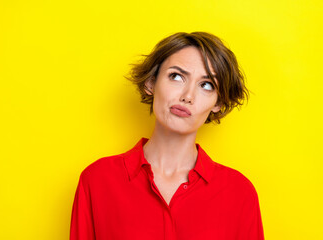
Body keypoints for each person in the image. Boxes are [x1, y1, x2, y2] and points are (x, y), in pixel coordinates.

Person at [70, 32, 264, 240]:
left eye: (206, 85)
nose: (187, 96)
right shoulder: (98, 181)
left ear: (218, 103)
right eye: (177, 76)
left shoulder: (239, 193)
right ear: (151, 83)